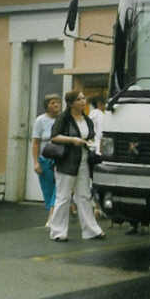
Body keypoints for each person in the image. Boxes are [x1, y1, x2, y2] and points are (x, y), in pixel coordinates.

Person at [47, 90, 106, 242]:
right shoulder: (63, 118)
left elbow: (91, 136)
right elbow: (54, 137)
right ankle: (58, 232)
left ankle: (91, 231)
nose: (83, 101)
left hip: (84, 161)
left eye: (83, 98)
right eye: (79, 99)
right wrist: (73, 140)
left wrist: (91, 144)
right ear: (71, 103)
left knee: (84, 196)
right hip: (66, 162)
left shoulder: (87, 119)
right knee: (63, 196)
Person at [31, 93, 61, 228]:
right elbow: (36, 143)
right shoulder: (40, 121)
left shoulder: (62, 119)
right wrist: (36, 162)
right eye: (52, 103)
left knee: (59, 187)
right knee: (48, 189)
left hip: (60, 159)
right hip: (45, 159)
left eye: (58, 102)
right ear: (47, 106)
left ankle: (52, 217)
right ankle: (54, 211)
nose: (56, 105)